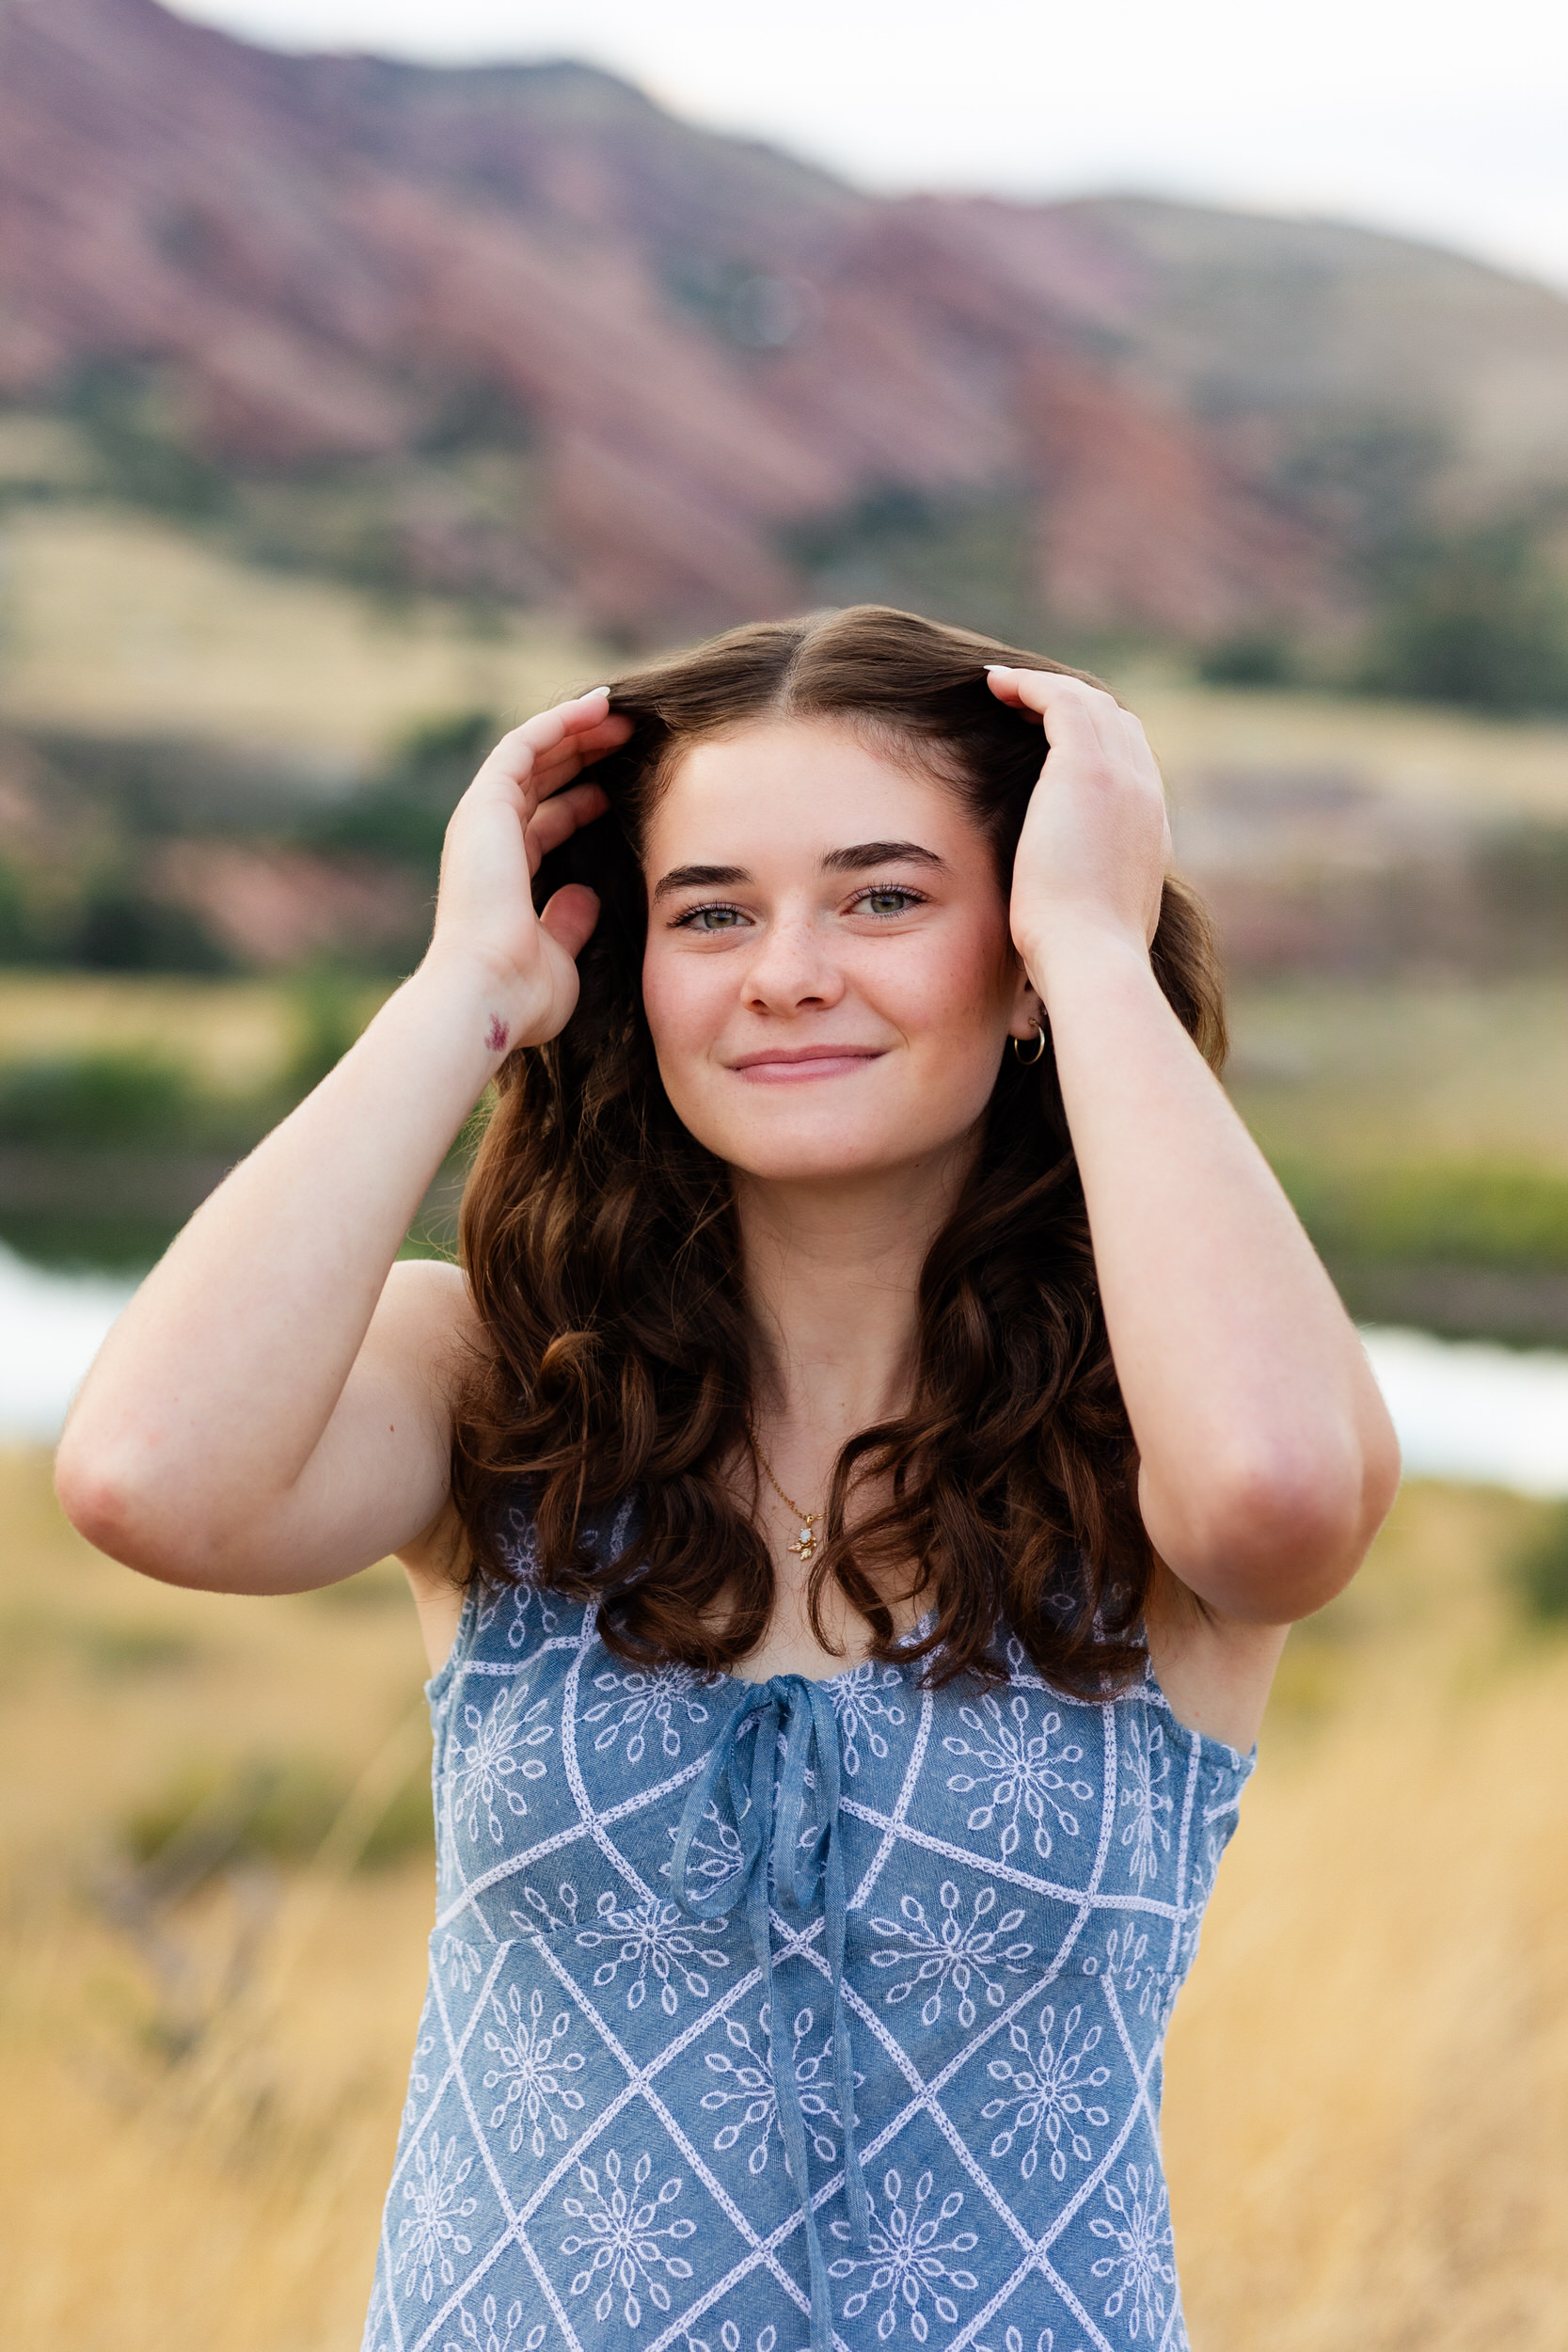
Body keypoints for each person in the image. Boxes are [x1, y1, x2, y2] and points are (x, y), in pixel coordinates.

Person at [56, 606, 1400, 2352]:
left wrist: (1095, 943)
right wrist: (465, 990)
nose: (787, 971)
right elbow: (149, 1478)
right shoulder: (503, 1390)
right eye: (712, 912)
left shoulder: (1153, 1436)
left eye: (886, 897)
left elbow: (1286, 1497)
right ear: (637, 970)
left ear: (1017, 959)